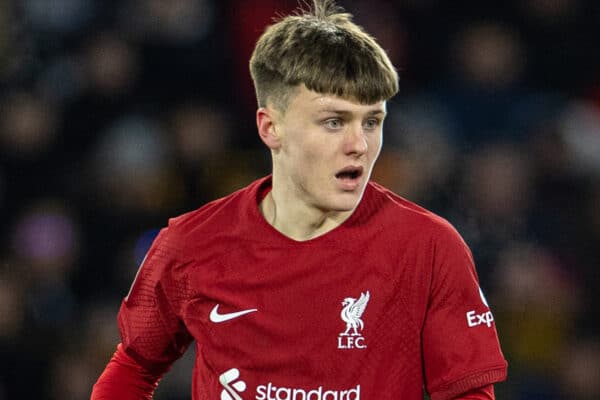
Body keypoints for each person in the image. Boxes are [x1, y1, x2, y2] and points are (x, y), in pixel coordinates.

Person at [91, 1, 507, 399]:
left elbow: (468, 392)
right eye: (333, 121)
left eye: (372, 121)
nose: (359, 145)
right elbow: (134, 367)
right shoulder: (191, 243)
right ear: (271, 127)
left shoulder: (429, 248)